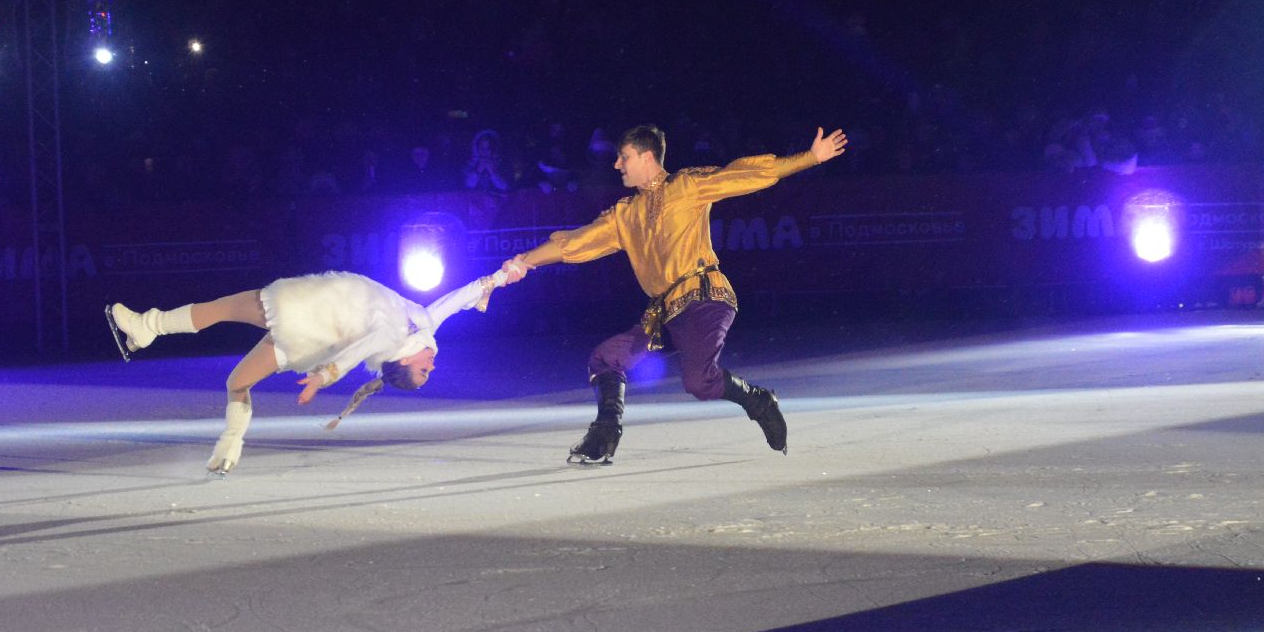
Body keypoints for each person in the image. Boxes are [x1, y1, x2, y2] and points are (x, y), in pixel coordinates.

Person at [502, 123, 847, 463]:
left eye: (624, 157)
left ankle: (759, 402)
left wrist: (809, 158)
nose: (616, 164)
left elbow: (744, 174)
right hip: (664, 313)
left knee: (699, 382)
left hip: (704, 298)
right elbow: (575, 243)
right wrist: (524, 261)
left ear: (647, 156)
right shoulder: (626, 214)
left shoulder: (686, 185)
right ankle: (603, 435)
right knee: (606, 358)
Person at [105, 267, 520, 474]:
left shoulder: (392, 339)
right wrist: (500, 278)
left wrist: (325, 376)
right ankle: (230, 445)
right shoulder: (425, 326)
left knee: (222, 309)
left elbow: (358, 351)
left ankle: (147, 326)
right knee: (237, 382)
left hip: (308, 314)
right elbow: (459, 298)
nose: (433, 366)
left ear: (405, 363)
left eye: (425, 373)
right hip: (312, 334)